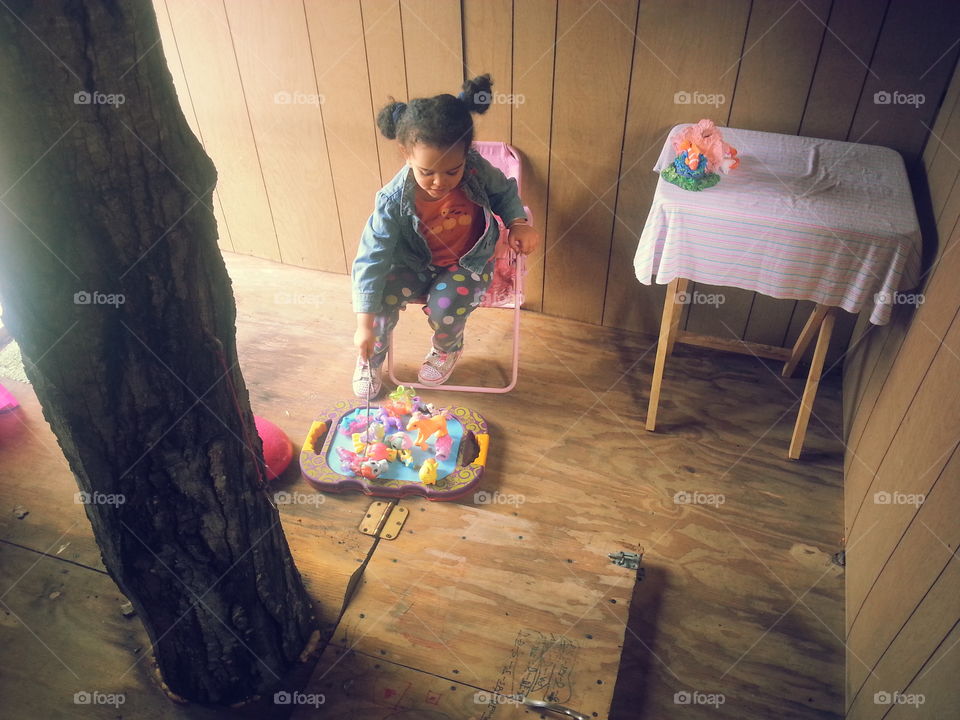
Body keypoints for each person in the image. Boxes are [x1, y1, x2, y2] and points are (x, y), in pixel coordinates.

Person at [351, 74, 539, 397]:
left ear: (467, 154)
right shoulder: (392, 200)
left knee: (447, 304)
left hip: (466, 264)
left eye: (453, 170)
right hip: (413, 264)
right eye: (427, 172)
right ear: (405, 154)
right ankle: (371, 357)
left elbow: (505, 193)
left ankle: (446, 347)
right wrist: (363, 327)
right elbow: (371, 260)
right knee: (380, 296)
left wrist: (518, 223)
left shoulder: (477, 170)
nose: (440, 182)